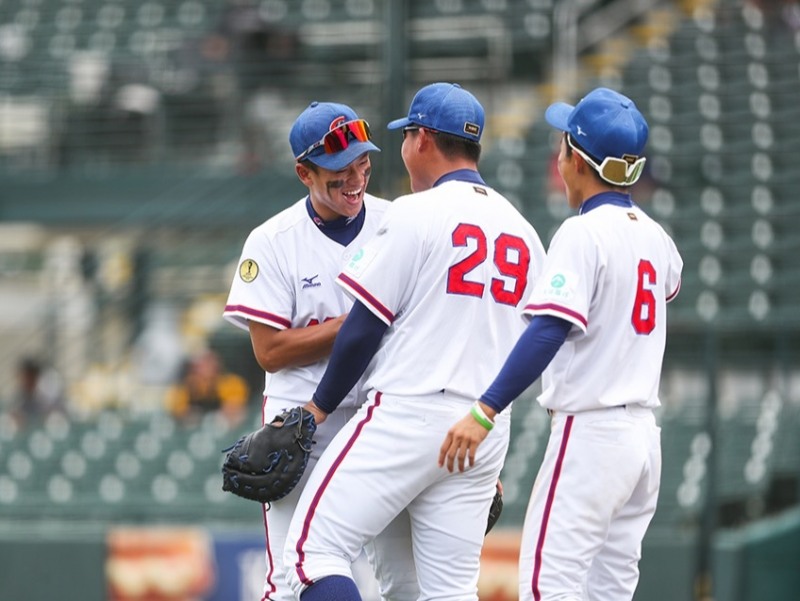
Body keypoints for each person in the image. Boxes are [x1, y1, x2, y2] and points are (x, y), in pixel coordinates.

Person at [283, 82, 547, 601]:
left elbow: (364, 326)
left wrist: (317, 408)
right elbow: (533, 343)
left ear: (422, 138)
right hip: (480, 429)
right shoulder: (525, 232)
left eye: (407, 136)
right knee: (445, 591)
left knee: (310, 558)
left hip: (409, 410)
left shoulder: (415, 212)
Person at [439, 87, 684, 601]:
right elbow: (666, 287)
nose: (558, 157)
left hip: (592, 433)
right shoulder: (657, 237)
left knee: (547, 588)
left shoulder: (582, 233)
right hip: (642, 440)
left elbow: (549, 330)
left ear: (576, 159)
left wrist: (485, 410)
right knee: (609, 592)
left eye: (563, 146)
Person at [222, 101, 417, 601]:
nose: (355, 178)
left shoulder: (399, 223)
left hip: (384, 414)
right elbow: (268, 350)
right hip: (306, 421)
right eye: (339, 170)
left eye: (363, 164)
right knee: (293, 576)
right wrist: (360, 321)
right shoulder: (272, 241)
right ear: (303, 172)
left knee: (405, 579)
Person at [164, 349, 250, 426]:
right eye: (201, 365)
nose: (205, 368)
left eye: (208, 363)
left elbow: (235, 409)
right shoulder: (190, 384)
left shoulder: (230, 383)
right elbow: (175, 408)